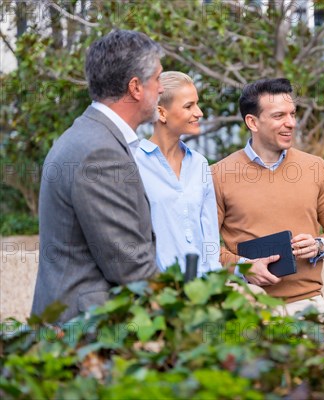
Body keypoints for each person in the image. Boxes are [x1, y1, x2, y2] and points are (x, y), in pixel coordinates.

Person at [31, 30, 163, 322]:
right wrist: (199, 303)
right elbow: (130, 268)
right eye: (158, 79)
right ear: (136, 87)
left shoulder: (89, 136)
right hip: (84, 330)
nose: (162, 89)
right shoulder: (100, 152)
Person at [212, 78, 324, 314]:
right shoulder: (218, 174)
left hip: (309, 305)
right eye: (279, 116)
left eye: (292, 114)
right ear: (252, 122)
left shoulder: (316, 167)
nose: (291, 123)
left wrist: (319, 245)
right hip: (250, 305)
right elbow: (207, 246)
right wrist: (243, 267)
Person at [135, 71, 221, 276]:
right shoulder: (134, 164)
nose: (199, 112)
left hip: (202, 289)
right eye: (189, 106)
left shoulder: (200, 164)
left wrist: (216, 283)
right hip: (158, 291)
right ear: (161, 113)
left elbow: (209, 236)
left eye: (197, 104)